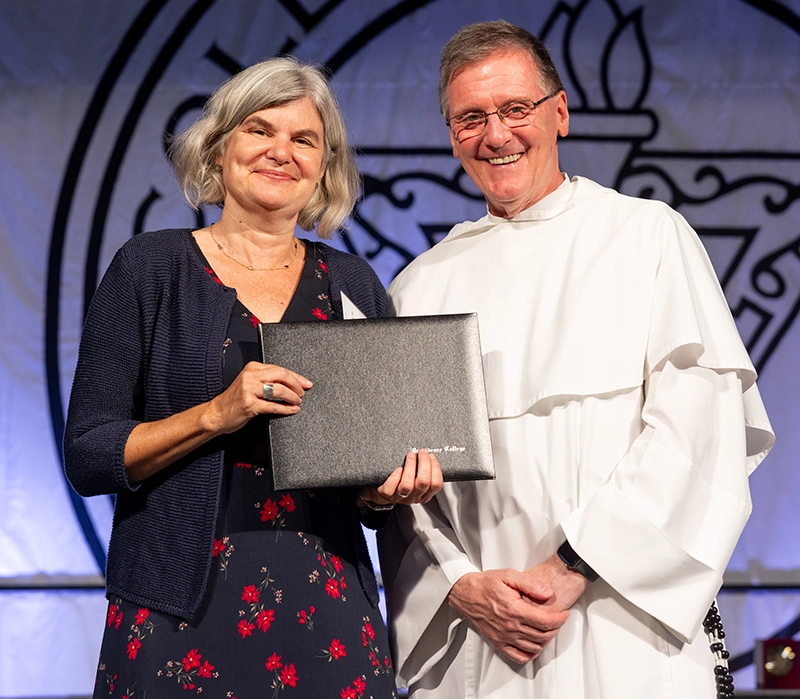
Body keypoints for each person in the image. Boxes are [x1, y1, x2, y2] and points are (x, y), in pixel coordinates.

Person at [378, 20, 775, 699]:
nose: (495, 135)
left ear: (558, 112)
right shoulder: (418, 285)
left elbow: (696, 433)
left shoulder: (647, 235)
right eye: (470, 118)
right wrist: (462, 586)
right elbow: (404, 492)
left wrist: (571, 565)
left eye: (514, 109)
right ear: (450, 136)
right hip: (482, 643)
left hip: (628, 622)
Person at [64, 56, 442, 698]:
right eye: (259, 130)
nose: (281, 151)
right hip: (179, 609)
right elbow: (90, 454)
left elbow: (368, 484)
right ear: (218, 148)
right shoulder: (151, 270)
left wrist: (388, 492)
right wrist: (215, 413)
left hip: (329, 611)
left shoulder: (353, 284)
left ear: (325, 166)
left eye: (304, 139)